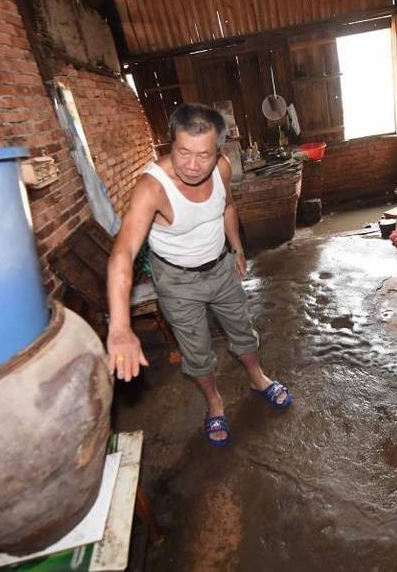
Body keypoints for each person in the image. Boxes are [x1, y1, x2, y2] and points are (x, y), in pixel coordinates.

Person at [106, 103, 291, 446]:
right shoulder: (152, 187)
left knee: (242, 330)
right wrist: (119, 327)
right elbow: (123, 252)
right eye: (183, 152)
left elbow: (228, 207)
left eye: (203, 155)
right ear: (170, 145)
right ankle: (214, 402)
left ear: (218, 150)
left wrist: (236, 248)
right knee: (196, 351)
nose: (192, 165)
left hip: (220, 267)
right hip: (177, 282)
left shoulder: (221, 169)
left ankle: (257, 377)